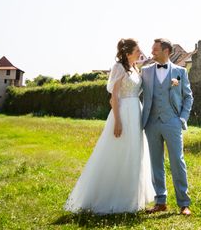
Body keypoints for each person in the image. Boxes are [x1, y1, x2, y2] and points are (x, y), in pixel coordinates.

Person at [65, 38, 155, 214]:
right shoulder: (119, 68)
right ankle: (112, 197)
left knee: (135, 152)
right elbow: (113, 97)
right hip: (123, 112)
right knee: (119, 152)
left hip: (136, 111)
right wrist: (118, 121)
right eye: (137, 50)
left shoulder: (135, 67)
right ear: (128, 52)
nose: (140, 52)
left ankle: (133, 198)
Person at [141, 38, 194, 216]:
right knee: (156, 162)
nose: (152, 52)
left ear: (166, 51)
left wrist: (182, 119)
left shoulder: (180, 71)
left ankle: (184, 203)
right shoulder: (146, 71)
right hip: (151, 123)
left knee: (177, 162)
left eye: (155, 50)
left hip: (173, 121)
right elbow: (135, 91)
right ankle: (160, 201)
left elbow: (188, 97)